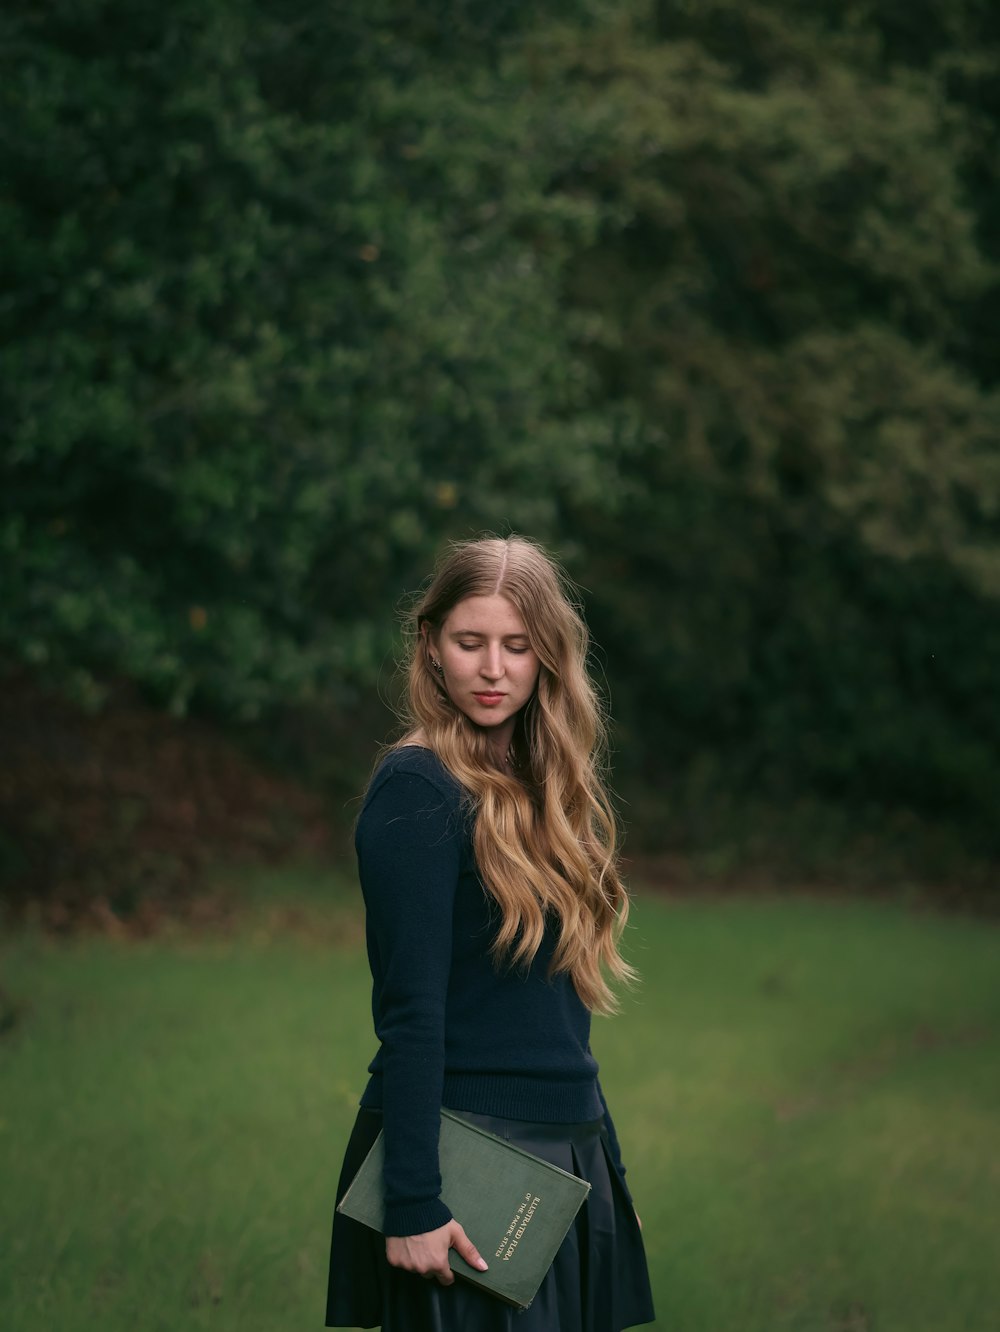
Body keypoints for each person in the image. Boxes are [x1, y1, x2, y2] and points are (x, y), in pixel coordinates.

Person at [325, 535, 655, 1331]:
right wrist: (411, 1203)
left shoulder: (547, 787)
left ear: (548, 657)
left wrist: (606, 1170)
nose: (493, 668)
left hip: (569, 1158)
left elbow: (556, 1012)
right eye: (469, 643)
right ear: (432, 648)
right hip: (466, 1164)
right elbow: (410, 1012)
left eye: (517, 646)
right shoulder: (417, 788)